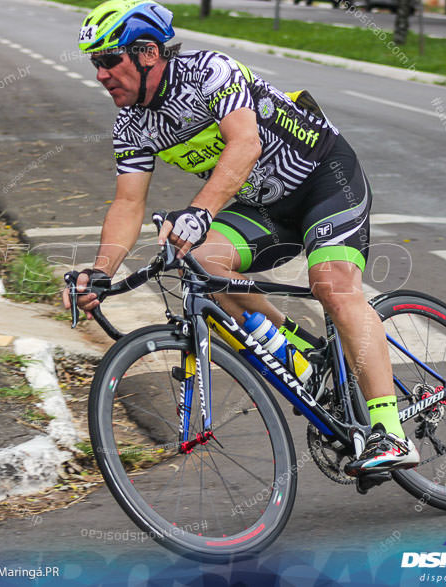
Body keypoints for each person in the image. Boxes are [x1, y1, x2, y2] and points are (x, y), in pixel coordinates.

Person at [63, 0, 418, 474]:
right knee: (205, 264)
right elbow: (128, 203)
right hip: (266, 205)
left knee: (332, 285)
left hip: (323, 179)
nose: (102, 74)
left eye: (110, 60)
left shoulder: (209, 72)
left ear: (148, 52)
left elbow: (245, 143)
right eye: (95, 64)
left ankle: (389, 430)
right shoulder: (132, 125)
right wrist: (101, 272)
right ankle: (303, 360)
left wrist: (198, 212)